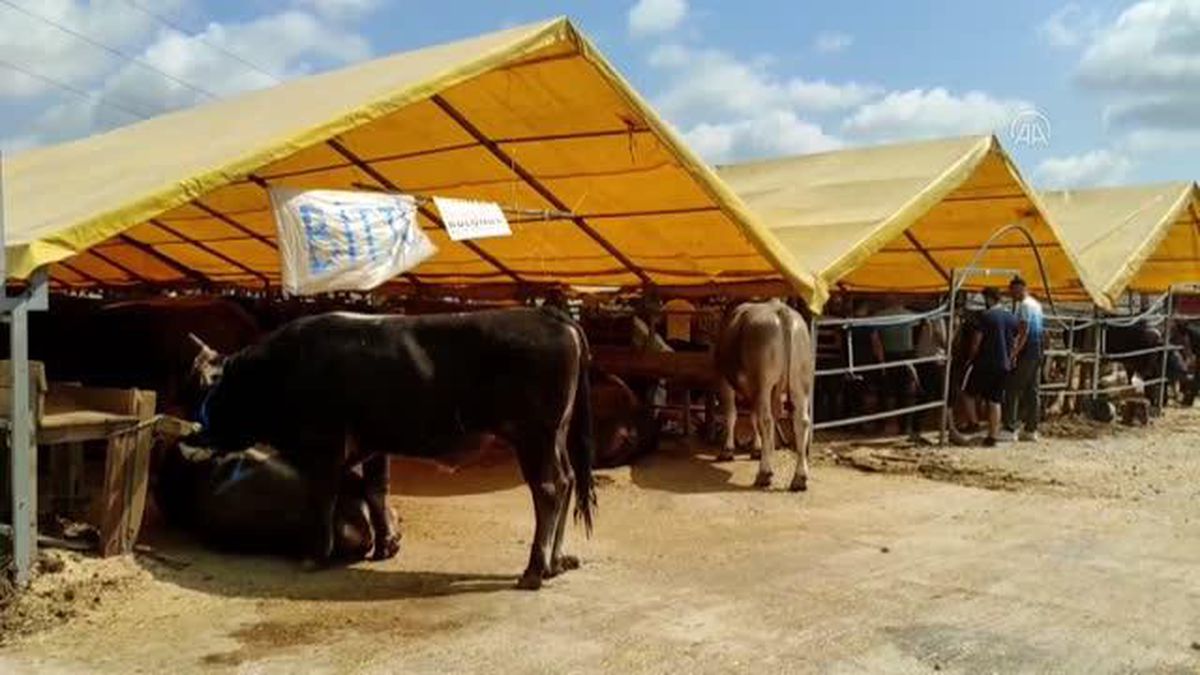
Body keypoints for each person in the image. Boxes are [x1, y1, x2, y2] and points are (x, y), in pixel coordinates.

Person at [963, 287, 1017, 446]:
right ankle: (992, 436)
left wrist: (970, 358)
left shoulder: (985, 317)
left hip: (984, 363)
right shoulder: (1011, 317)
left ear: (989, 299)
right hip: (1003, 364)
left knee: (967, 392)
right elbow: (1014, 340)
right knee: (995, 400)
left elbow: (976, 342)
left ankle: (973, 423)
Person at [871, 294, 924, 443]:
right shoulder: (911, 316)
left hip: (889, 355)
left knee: (889, 392)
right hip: (906, 355)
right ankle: (904, 426)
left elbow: (876, 341)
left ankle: (889, 424)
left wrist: (881, 362)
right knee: (906, 392)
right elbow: (918, 335)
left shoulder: (879, 316)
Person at [1005, 276, 1045, 441]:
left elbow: (1024, 332)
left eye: (1013, 291)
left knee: (1013, 388)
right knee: (1032, 389)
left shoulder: (1024, 306)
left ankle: (1011, 427)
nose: (1012, 294)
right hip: (1037, 349)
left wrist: (1014, 352)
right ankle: (1031, 428)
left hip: (1028, 350)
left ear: (1020, 288)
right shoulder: (1037, 305)